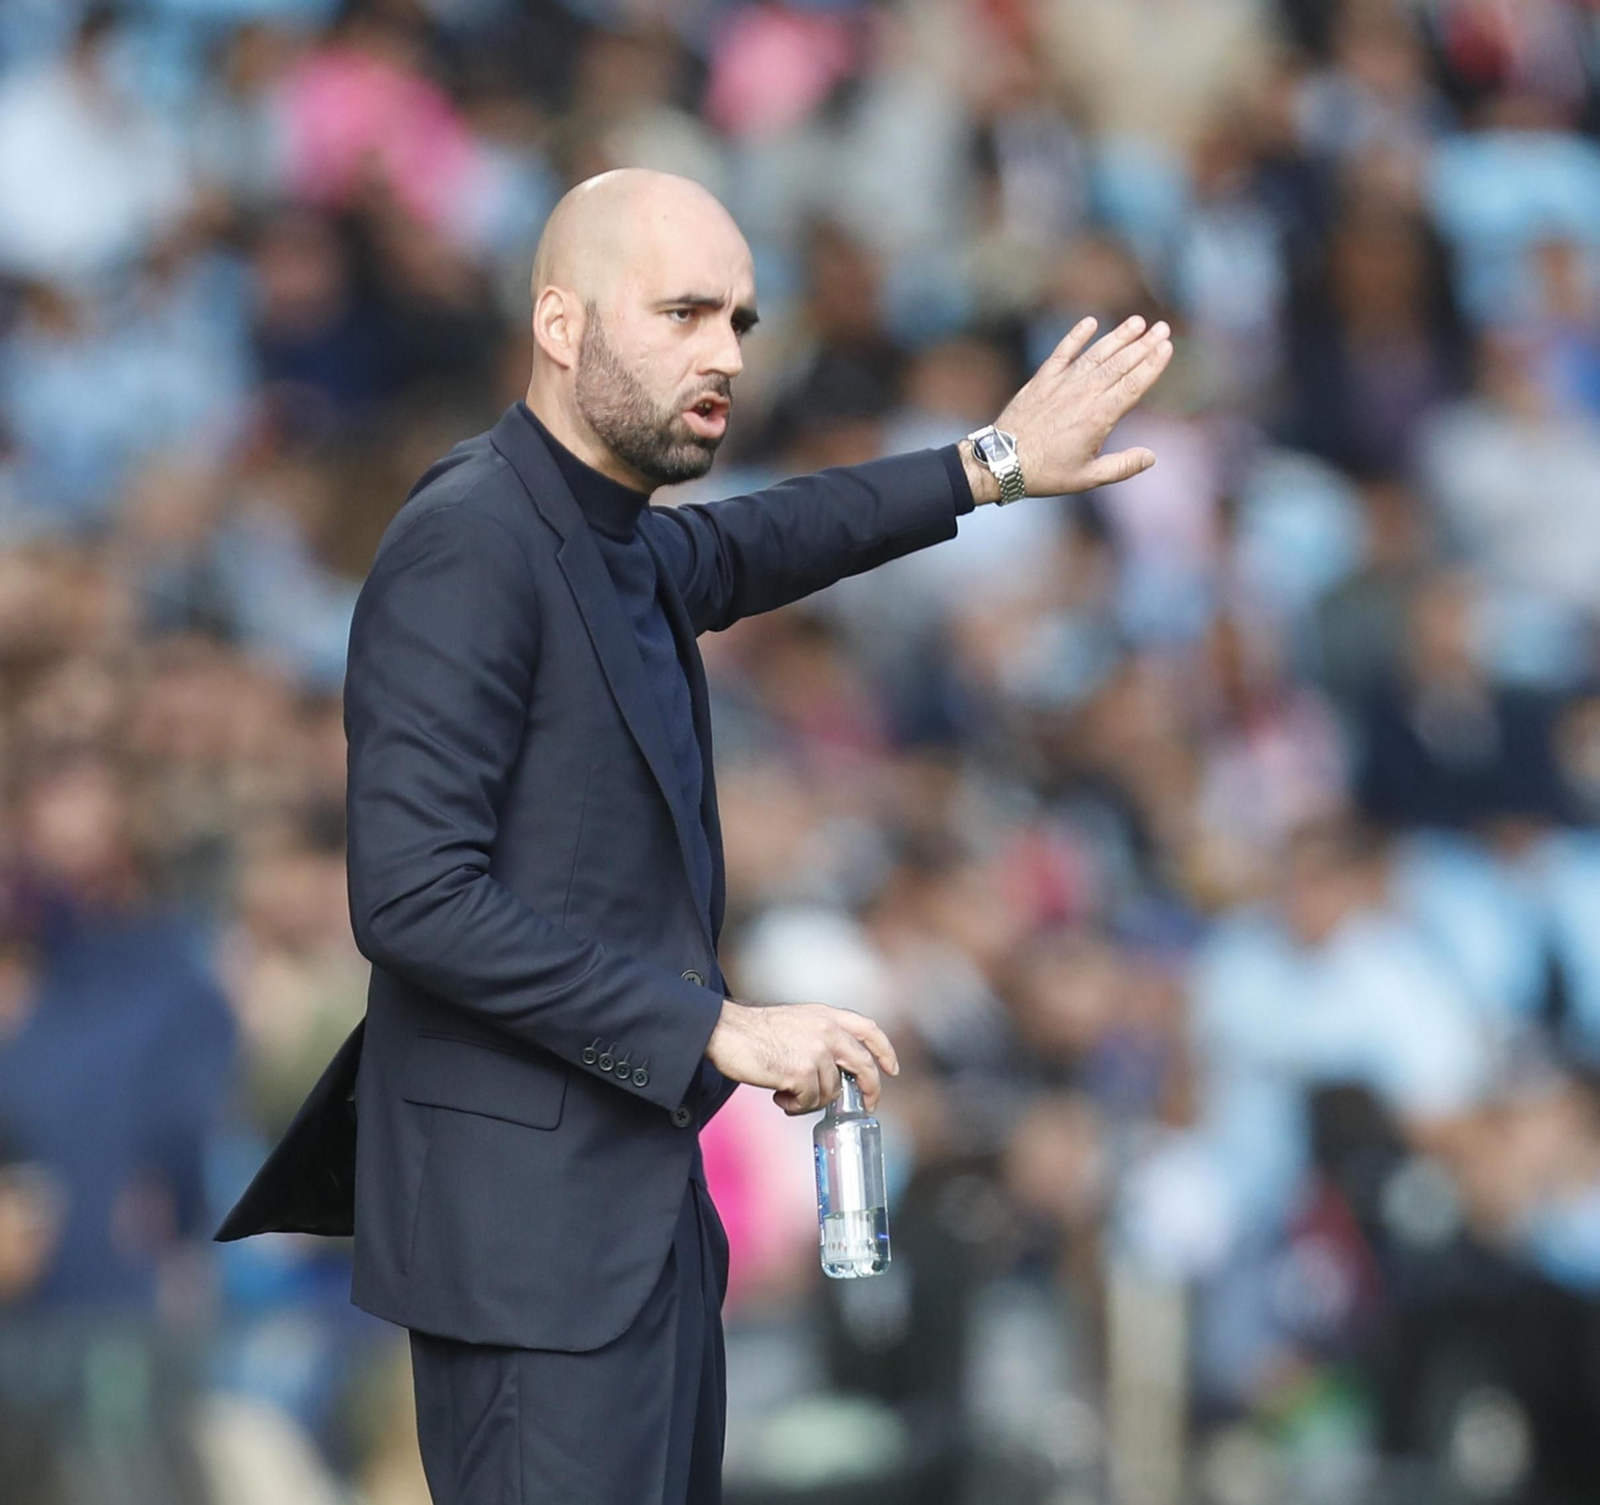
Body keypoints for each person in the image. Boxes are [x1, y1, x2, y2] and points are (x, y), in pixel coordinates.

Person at [217, 168, 1172, 1504]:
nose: (725, 352)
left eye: (739, 319)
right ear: (561, 325)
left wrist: (990, 464)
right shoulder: (472, 541)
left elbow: (776, 536)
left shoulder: (618, 545)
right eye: (682, 313)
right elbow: (413, 899)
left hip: (632, 1220)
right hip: (530, 1256)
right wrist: (712, 1028)